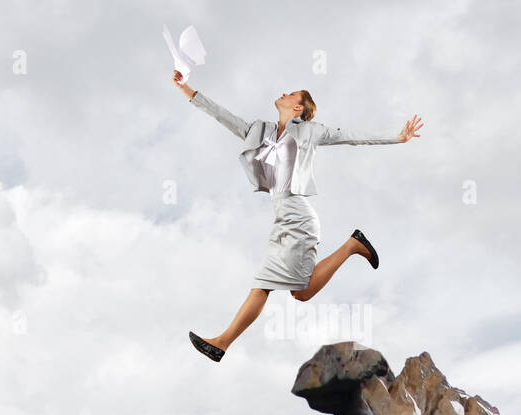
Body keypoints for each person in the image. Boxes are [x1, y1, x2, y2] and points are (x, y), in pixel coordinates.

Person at [173, 71, 423, 362]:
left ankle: (222, 343)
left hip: (300, 218)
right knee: (285, 290)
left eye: (292, 94)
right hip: (280, 219)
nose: (284, 92)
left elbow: (353, 137)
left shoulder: (310, 131)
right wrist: (186, 89)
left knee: (276, 288)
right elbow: (220, 114)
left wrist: (397, 137)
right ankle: (221, 344)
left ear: (299, 108)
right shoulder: (259, 130)